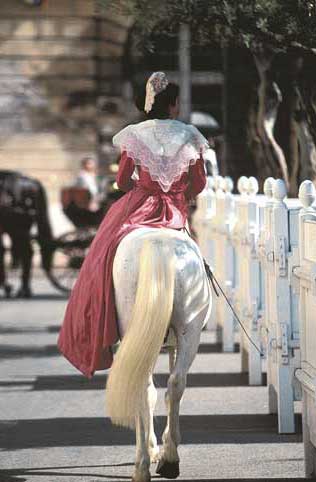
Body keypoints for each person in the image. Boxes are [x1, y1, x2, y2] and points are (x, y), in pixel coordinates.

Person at [58, 72, 208, 377]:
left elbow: (122, 180)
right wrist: (180, 195)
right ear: (175, 105)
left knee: (101, 256)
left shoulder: (135, 135)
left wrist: (146, 189)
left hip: (140, 206)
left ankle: (102, 324)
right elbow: (199, 182)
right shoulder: (190, 135)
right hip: (175, 212)